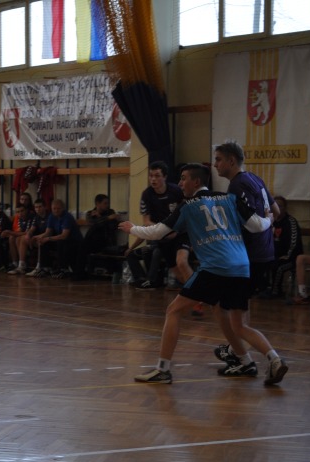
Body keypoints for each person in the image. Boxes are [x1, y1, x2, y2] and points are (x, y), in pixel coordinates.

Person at [119, 163, 288, 386]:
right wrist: (269, 219)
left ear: (196, 182)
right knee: (236, 323)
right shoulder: (230, 198)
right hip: (241, 267)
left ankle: (162, 369)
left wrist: (132, 228)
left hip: (215, 268)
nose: (180, 183)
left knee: (173, 311)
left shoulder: (188, 206)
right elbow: (257, 225)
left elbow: (158, 231)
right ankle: (270, 360)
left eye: (183, 178)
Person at [211, 141, 280, 364]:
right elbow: (276, 211)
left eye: (218, 159)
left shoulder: (237, 186)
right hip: (265, 253)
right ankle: (237, 350)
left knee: (227, 311)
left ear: (231, 161)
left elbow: (248, 224)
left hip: (249, 257)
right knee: (239, 306)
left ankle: (264, 358)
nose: (215, 164)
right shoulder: (255, 179)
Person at [124, 161, 184, 289]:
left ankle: (154, 281)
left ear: (165, 177)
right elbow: (146, 222)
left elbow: (185, 215)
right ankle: (142, 279)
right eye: (151, 176)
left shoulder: (176, 191)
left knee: (157, 251)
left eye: (157, 176)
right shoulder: (147, 194)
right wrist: (132, 247)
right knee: (139, 252)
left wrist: (175, 231)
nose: (153, 179)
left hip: (177, 234)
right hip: (158, 236)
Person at [27, 198, 82, 278]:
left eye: (58, 208)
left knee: (60, 242)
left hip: (73, 242)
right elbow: (48, 232)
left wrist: (48, 238)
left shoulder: (67, 217)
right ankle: (46, 268)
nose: (56, 210)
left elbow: (64, 235)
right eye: (54, 209)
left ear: (63, 208)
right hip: (62, 240)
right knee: (43, 242)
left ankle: (63, 269)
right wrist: (36, 237)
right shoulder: (52, 216)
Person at [73, 193, 120, 280]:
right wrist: (107, 218)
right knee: (79, 246)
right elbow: (93, 223)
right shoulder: (90, 213)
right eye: (105, 203)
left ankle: (79, 274)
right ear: (98, 204)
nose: (107, 205)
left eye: (107, 203)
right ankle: (78, 273)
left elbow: (112, 226)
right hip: (92, 241)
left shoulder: (111, 212)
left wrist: (100, 217)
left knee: (84, 245)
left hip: (105, 241)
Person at [264, 196, 302, 299]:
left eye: (280, 206)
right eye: (275, 206)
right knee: (259, 262)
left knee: (278, 266)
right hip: (273, 256)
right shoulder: (270, 221)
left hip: (291, 258)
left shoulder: (291, 222)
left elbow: (294, 243)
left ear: (285, 208)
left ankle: (275, 291)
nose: (277, 208)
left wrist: (287, 256)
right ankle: (262, 288)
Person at [9, 200, 48, 275]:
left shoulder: (48, 216)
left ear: (45, 207)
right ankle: (20, 265)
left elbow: (48, 232)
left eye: (40, 207)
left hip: (47, 239)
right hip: (36, 238)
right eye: (36, 207)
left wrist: (32, 236)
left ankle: (37, 267)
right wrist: (29, 234)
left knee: (23, 238)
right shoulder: (36, 217)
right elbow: (31, 229)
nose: (38, 209)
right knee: (19, 238)